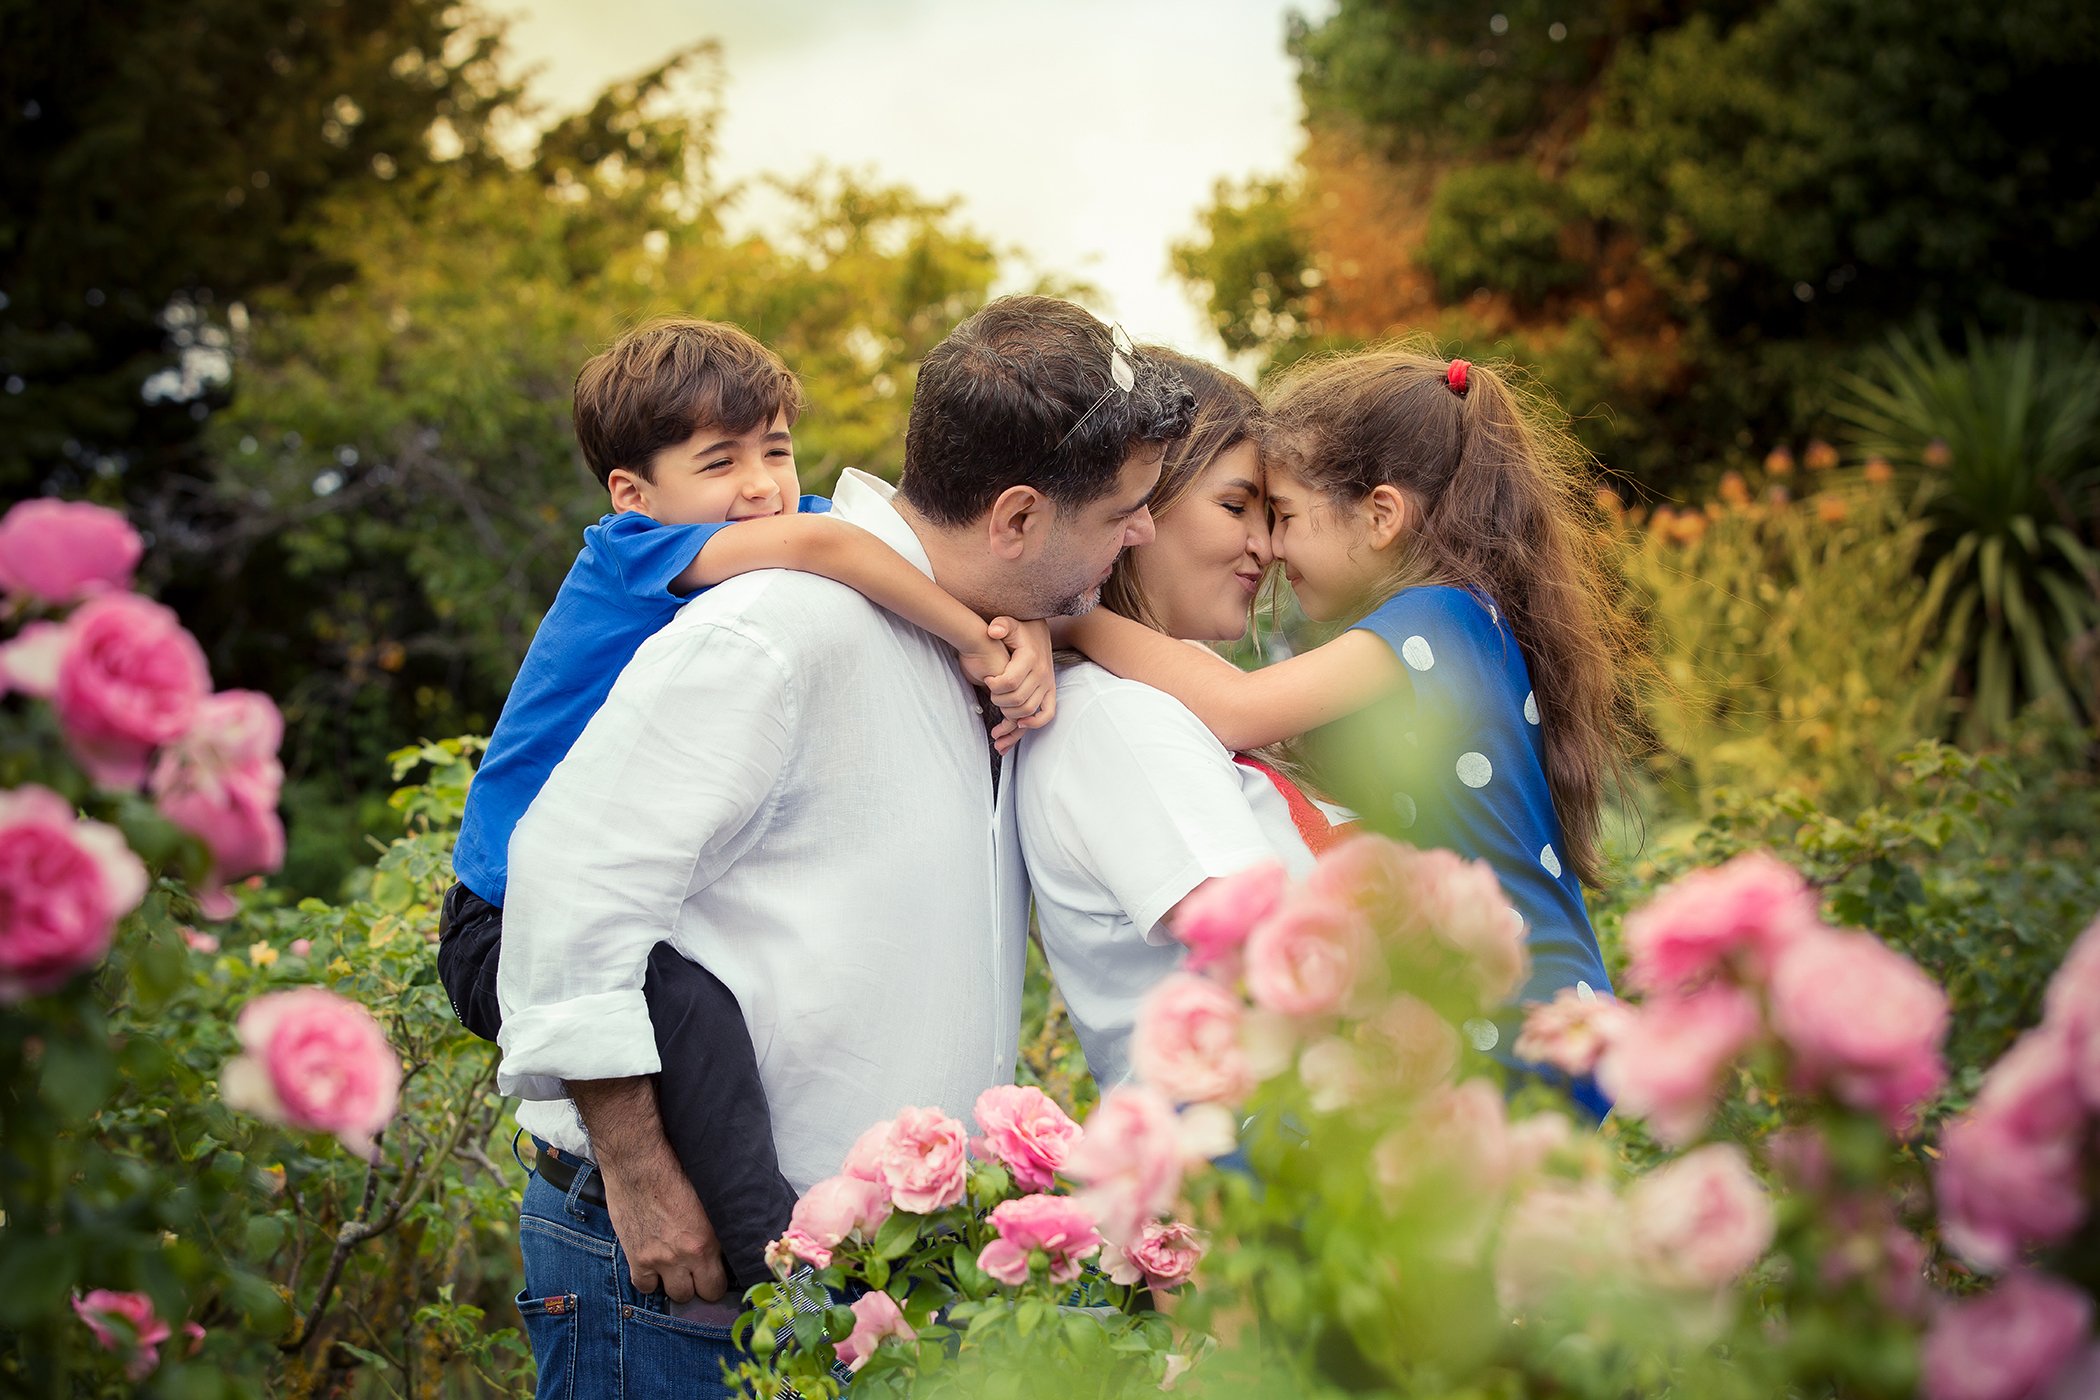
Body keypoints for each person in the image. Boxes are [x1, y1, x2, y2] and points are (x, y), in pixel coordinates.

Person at [494, 296, 1195, 1399]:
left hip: (856, 1288)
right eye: (1124, 510)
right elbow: (566, 876)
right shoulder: (777, 627)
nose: (1145, 532)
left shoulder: (967, 629)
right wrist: (639, 1176)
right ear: (1015, 517)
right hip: (679, 1274)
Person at [435, 317, 1056, 1293]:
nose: (762, 482)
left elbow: (901, 555)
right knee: (690, 1010)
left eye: (776, 447)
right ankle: (779, 1267)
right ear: (634, 493)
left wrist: (1036, 630)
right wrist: (981, 641)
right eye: (719, 459)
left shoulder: (755, 533)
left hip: (587, 899)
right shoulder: (631, 551)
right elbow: (833, 543)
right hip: (500, 912)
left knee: (697, 1004)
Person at [1062, 350, 1644, 1115]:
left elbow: (1237, 708)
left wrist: (1072, 617)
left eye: (1285, 516)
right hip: (1526, 1003)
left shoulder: (1434, 619)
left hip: (1521, 1012)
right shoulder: (1452, 625)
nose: (1272, 549)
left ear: (1380, 516)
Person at [1018, 349, 1344, 1090]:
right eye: (1236, 508)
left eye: (1271, 516)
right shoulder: (1120, 721)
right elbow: (1274, 968)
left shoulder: (1169, 696)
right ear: (1137, 509)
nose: (1265, 546)